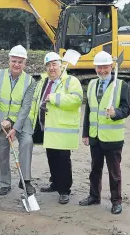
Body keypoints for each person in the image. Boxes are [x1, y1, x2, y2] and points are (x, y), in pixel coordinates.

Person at [79, 51, 130, 214]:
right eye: (98, 67)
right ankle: (94, 196)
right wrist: (86, 133)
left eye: (105, 67)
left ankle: (116, 201)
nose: (102, 70)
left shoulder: (122, 85)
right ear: (95, 68)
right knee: (95, 169)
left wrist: (116, 113)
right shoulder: (93, 85)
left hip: (113, 139)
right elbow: (88, 110)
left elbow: (126, 109)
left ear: (111, 66)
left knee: (114, 172)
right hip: (95, 137)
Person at [29, 52, 83, 204]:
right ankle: (55, 183)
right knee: (51, 157)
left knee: (63, 159)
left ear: (60, 65)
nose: (51, 68)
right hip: (47, 128)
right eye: (48, 65)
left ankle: (64, 190)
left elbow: (77, 100)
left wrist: (54, 98)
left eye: (54, 65)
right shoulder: (43, 82)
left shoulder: (71, 81)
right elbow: (35, 102)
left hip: (62, 129)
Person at [0, 45, 36, 196]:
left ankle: (25, 181)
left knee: (27, 142)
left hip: (20, 121)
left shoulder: (30, 81)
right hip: (0, 120)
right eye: (14, 61)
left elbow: (26, 107)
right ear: (9, 60)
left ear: (25, 63)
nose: (17, 64)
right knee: (2, 152)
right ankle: (4, 183)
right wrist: (1, 119)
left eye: (20, 62)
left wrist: (16, 129)